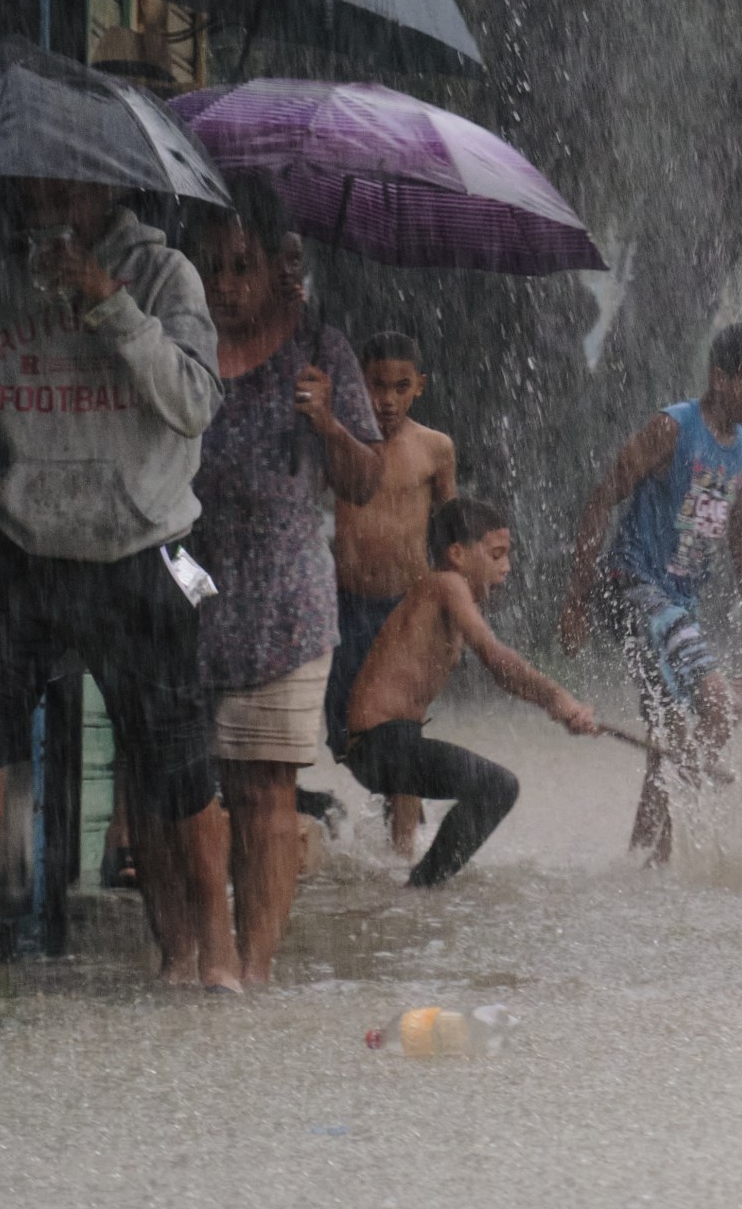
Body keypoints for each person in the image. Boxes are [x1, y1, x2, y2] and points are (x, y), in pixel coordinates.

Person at [0, 176, 233, 992]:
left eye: (60, 180)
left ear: (102, 187)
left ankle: (214, 954)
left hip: (143, 547)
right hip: (31, 544)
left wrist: (108, 301)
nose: (39, 195)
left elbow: (195, 402)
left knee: (174, 762)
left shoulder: (167, 277)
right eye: (32, 181)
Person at [187, 175, 383, 988]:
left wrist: (328, 421)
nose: (227, 287)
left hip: (288, 604)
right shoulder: (183, 340)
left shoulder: (320, 352)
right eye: (214, 269)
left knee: (266, 792)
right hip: (189, 589)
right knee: (189, 791)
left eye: (242, 267)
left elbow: (365, 480)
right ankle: (201, 956)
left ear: (277, 267)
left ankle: (254, 969)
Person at [558, 323, 742, 865]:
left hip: (680, 605)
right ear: (719, 379)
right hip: (631, 587)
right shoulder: (671, 429)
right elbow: (600, 500)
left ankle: (646, 862)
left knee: (671, 732)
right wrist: (575, 600)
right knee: (715, 708)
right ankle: (661, 835)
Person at [343, 499, 599, 886]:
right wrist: (558, 699)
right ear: (457, 554)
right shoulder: (446, 584)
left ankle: (415, 883)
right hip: (380, 744)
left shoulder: (440, 593)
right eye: (496, 555)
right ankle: (422, 889)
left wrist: (557, 706)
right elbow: (497, 659)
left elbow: (501, 675)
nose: (507, 567)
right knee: (497, 786)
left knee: (489, 785)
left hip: (387, 744)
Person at [327, 331, 459, 858]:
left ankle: (403, 856)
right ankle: (387, 799)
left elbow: (453, 535)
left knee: (402, 730)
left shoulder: (435, 448)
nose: (386, 400)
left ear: (419, 388)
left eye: (400, 387)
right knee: (348, 738)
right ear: (357, 383)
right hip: (343, 603)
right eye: (376, 386)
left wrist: (454, 614)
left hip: (407, 608)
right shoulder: (337, 444)